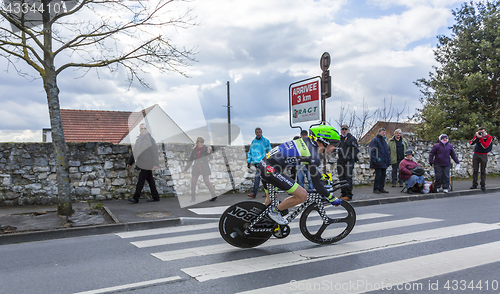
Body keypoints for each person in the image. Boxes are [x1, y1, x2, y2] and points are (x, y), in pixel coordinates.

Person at [259, 125, 342, 225]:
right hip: (270, 170)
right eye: (334, 143)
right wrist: (331, 198)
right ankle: (274, 212)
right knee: (302, 195)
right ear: (325, 141)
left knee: (269, 201)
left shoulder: (307, 141)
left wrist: (323, 179)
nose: (335, 147)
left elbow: (311, 169)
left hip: (264, 165)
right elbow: (317, 185)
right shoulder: (312, 155)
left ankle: (261, 224)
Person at [127, 123, 160, 203]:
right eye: (142, 129)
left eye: (145, 128)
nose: (143, 130)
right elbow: (135, 152)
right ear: (139, 130)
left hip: (147, 163)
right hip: (142, 162)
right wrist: (130, 162)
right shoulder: (139, 139)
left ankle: (136, 198)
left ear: (147, 129)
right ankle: (156, 197)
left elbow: (155, 152)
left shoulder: (150, 140)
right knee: (150, 180)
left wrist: (156, 164)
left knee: (141, 180)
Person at [183, 137, 217, 202]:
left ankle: (214, 195)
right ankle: (193, 197)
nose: (202, 144)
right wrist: (186, 169)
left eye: (202, 142)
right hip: (196, 167)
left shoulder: (205, 149)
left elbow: (211, 158)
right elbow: (190, 160)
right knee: (193, 182)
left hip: (204, 167)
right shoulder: (194, 150)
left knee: (207, 181)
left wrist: (209, 153)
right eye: (200, 142)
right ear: (197, 143)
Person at [247, 127, 272, 198]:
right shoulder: (253, 142)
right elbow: (250, 152)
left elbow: (269, 151)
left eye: (259, 132)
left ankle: (254, 193)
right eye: (257, 132)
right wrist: (249, 161)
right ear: (255, 133)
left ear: (261, 133)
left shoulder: (265, 141)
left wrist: (269, 160)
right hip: (255, 162)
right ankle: (268, 193)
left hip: (263, 162)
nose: (258, 134)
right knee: (264, 178)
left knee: (257, 177)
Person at [336, 124, 359, 200]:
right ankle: (343, 194)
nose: (344, 131)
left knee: (348, 177)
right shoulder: (339, 139)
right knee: (341, 177)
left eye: (345, 129)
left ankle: (349, 195)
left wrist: (350, 156)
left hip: (349, 160)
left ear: (348, 130)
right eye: (343, 129)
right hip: (341, 160)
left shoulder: (352, 139)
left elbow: (356, 150)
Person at [369, 128, 391, 194]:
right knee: (378, 176)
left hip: (384, 161)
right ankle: (375, 188)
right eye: (382, 132)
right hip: (378, 161)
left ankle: (381, 188)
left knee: (383, 175)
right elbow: (372, 150)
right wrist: (375, 159)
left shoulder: (384, 141)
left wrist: (388, 161)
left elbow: (386, 152)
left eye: (384, 132)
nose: (384, 134)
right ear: (379, 133)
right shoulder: (375, 140)